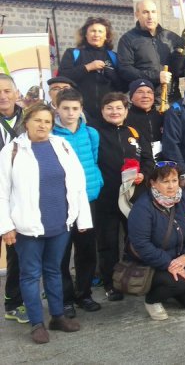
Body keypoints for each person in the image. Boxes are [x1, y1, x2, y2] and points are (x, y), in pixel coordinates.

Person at [0, 102, 92, 344]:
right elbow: (1, 192)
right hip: (26, 226)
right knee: (30, 275)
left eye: (47, 121)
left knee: (53, 270)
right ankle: (36, 323)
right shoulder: (11, 152)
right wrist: (5, 226)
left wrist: (82, 218)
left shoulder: (62, 145)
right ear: (26, 122)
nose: (43, 125)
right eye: (38, 120)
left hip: (59, 223)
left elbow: (78, 184)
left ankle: (58, 316)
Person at [127, 162, 185, 321]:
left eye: (174, 180)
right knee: (179, 284)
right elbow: (141, 244)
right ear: (153, 183)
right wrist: (169, 263)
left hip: (180, 258)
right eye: (165, 181)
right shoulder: (143, 207)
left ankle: (169, 289)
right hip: (152, 263)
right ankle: (152, 300)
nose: (171, 186)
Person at [94, 92, 154, 301]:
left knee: (135, 239)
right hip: (106, 197)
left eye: (119, 108)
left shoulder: (134, 132)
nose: (114, 112)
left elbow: (148, 160)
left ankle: (134, 277)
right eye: (109, 108)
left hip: (134, 197)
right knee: (108, 242)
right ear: (102, 111)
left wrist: (143, 175)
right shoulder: (95, 133)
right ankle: (111, 284)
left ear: (126, 111)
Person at [53, 89, 104, 317]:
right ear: (57, 108)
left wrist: (96, 185)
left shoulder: (91, 133)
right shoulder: (52, 135)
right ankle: (65, 299)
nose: (70, 113)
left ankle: (84, 294)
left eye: (75, 108)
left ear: (81, 109)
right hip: (60, 203)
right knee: (62, 253)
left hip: (87, 200)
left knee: (86, 251)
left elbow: (93, 160)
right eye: (65, 108)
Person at [117, 0, 185, 103]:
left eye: (153, 12)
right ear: (137, 14)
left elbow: (180, 71)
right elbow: (125, 70)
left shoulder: (171, 37)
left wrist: (182, 51)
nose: (150, 16)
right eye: (145, 12)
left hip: (172, 100)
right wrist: (156, 76)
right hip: (145, 102)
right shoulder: (127, 39)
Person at [57, 17, 122, 122]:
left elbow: (123, 87)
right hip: (79, 113)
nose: (96, 34)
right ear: (85, 35)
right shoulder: (73, 53)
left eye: (100, 31)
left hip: (108, 113)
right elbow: (62, 76)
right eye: (92, 31)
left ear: (106, 36)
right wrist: (88, 67)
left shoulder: (114, 57)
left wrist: (111, 74)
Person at [0, 74, 27, 324]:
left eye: (7, 90)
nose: (3, 96)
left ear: (16, 92)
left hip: (18, 196)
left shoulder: (29, 118)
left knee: (16, 253)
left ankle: (14, 302)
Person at [125, 79, 164, 161]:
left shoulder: (162, 117)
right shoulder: (125, 118)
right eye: (140, 92)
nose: (145, 95)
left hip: (162, 165)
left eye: (149, 92)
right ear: (131, 97)